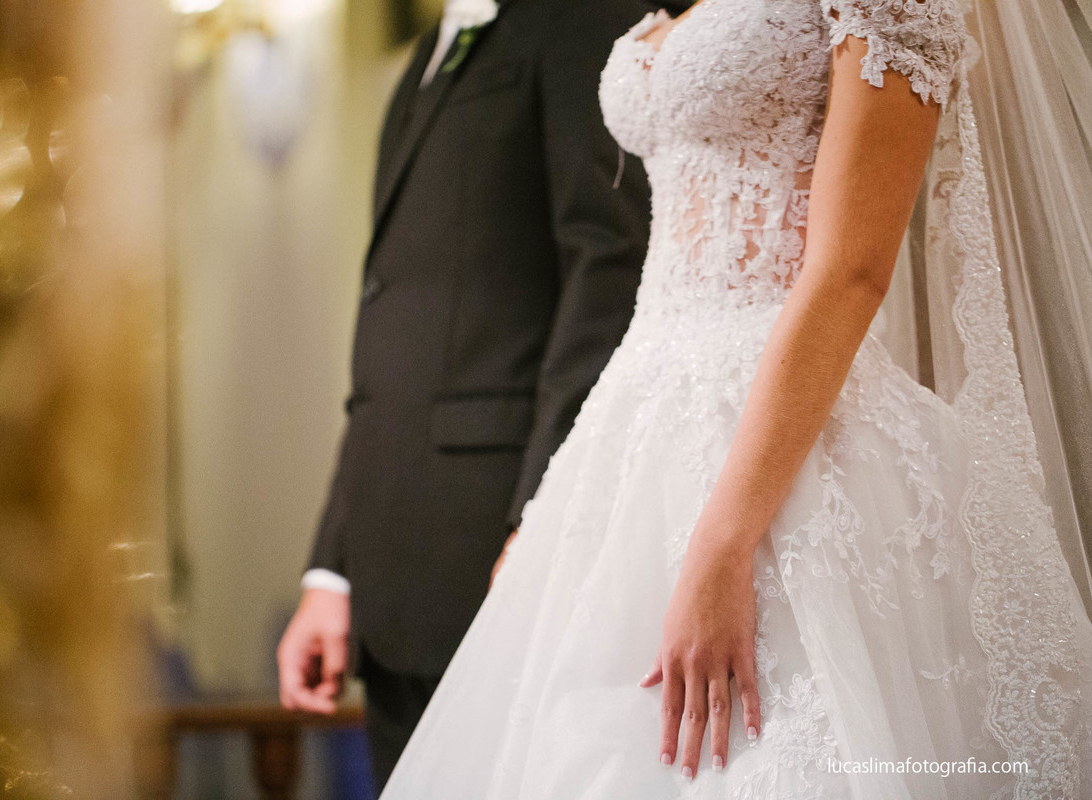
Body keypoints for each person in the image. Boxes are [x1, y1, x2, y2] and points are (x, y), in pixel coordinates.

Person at [377, 0, 1092, 796]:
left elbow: (851, 270)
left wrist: (722, 546)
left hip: (789, 433)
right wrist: (552, 507)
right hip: (632, 422)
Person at [276, 0, 672, 788]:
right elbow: (393, 331)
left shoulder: (579, 21)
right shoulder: (427, 57)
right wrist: (333, 570)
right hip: (391, 576)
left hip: (497, 555)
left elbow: (607, 266)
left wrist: (544, 513)